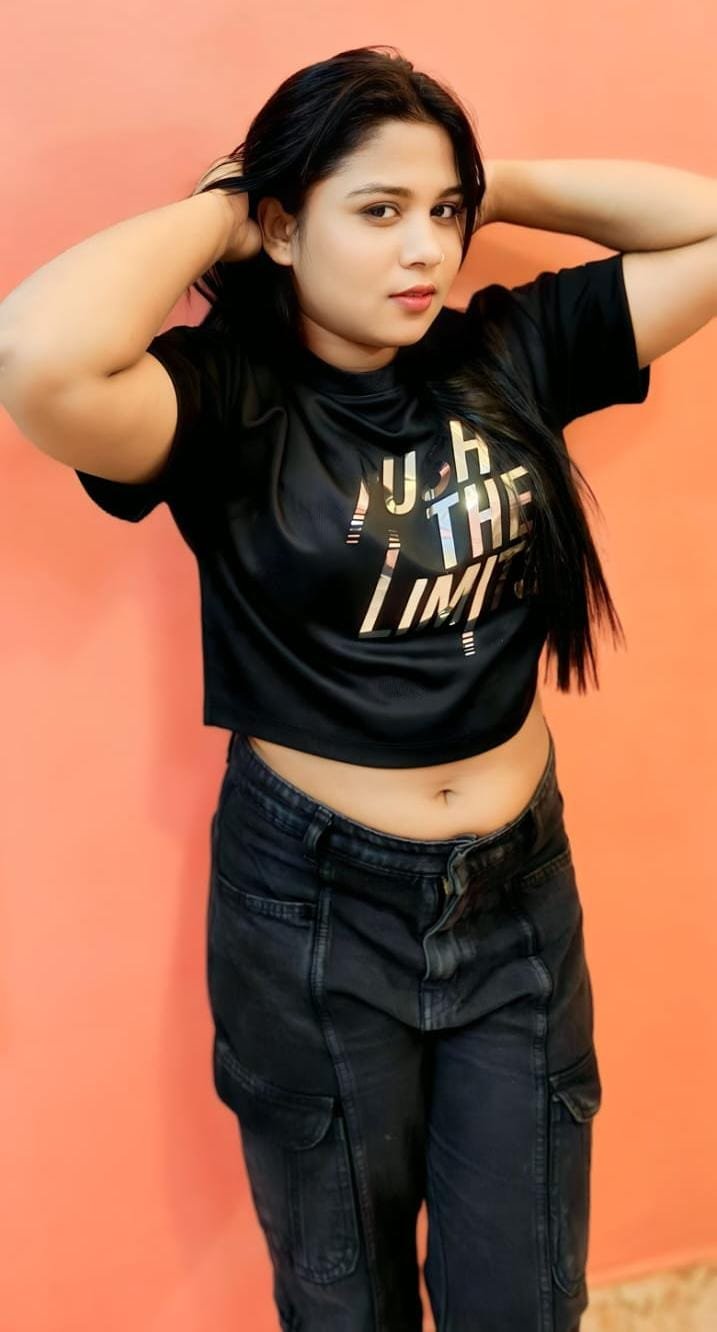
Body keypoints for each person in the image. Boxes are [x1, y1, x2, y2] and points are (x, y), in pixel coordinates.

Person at [0, 45, 653, 1332]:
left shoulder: (511, 350)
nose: (427, 249)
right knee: (342, 1299)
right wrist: (229, 210)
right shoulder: (223, 400)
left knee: (524, 1302)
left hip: (517, 899)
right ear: (286, 228)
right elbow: (36, 351)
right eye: (379, 210)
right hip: (312, 910)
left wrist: (492, 184)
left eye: (444, 213)